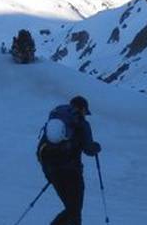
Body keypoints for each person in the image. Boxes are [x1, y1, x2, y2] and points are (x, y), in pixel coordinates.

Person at [37, 96, 102, 225]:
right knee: (75, 209)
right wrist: (96, 147)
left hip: (51, 170)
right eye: (85, 111)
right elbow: (89, 149)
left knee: (72, 209)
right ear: (83, 109)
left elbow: (41, 148)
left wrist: (49, 172)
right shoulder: (81, 124)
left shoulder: (55, 120)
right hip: (72, 172)